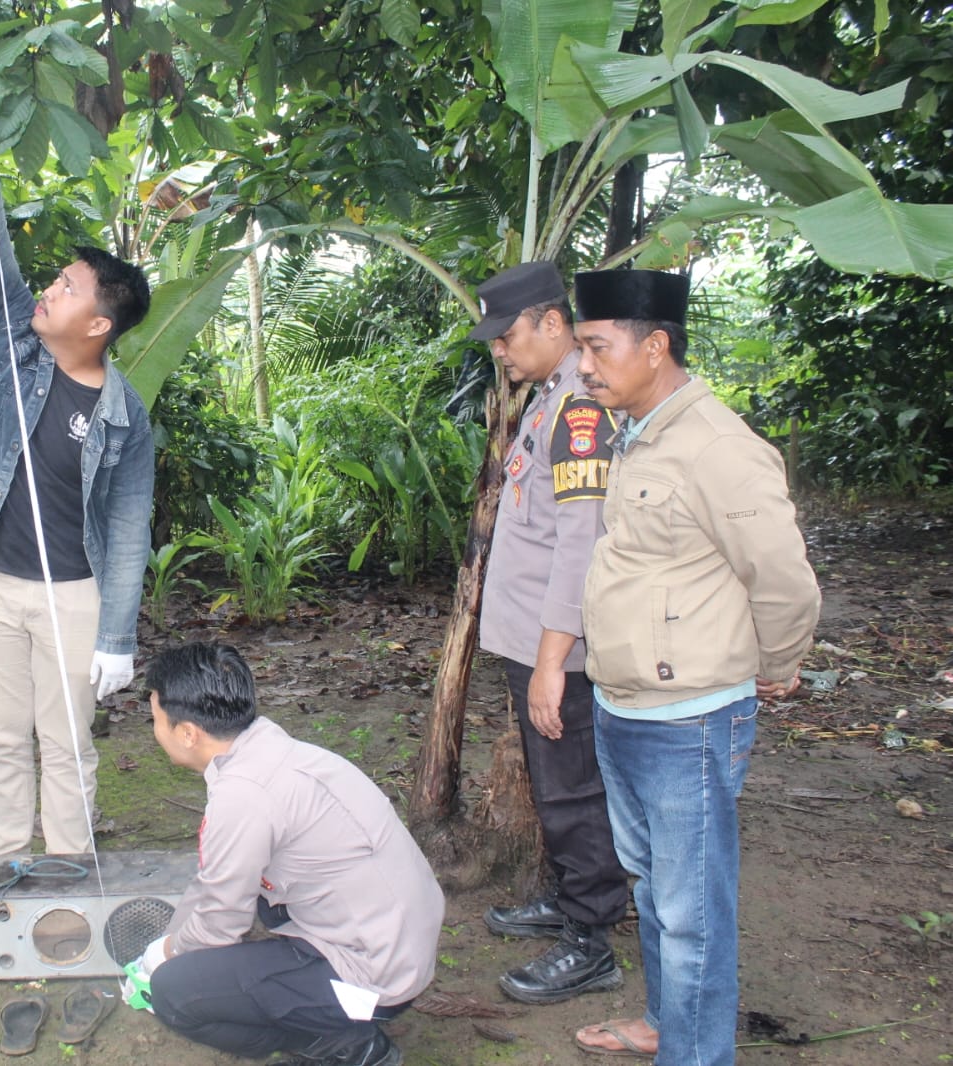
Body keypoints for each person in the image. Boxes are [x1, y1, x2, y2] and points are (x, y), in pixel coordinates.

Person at [570, 270, 821, 1063]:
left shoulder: (718, 448)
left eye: (596, 347)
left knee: (690, 912)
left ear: (655, 346)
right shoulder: (639, 429)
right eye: (580, 347)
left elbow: (782, 580)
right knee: (653, 890)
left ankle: (695, 1053)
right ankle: (665, 1025)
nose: (583, 365)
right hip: (624, 708)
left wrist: (775, 665)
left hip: (689, 721)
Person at [0, 42, 155, 857]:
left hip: (71, 599)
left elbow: (128, 528)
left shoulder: (124, 418)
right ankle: (2, 865)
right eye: (52, 280)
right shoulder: (12, 345)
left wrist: (117, 637)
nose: (47, 292)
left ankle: (67, 871)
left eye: (65, 289)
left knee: (67, 747)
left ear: (98, 324)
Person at [138, 642, 444, 1066]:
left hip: (376, 980)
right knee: (251, 909)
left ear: (188, 732)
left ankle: (347, 1046)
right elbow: (213, 880)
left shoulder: (243, 797)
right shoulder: (272, 752)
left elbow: (218, 925)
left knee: (174, 992)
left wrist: (164, 954)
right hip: (399, 940)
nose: (153, 730)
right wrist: (170, 936)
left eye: (155, 719)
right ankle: (326, 1012)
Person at [469, 262, 629, 1004]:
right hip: (531, 638)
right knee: (553, 781)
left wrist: (550, 661)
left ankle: (589, 939)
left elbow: (579, 542)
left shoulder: (579, 413)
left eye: (507, 335)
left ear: (552, 323)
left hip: (554, 646)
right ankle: (571, 902)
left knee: (569, 791)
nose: (499, 350)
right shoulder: (547, 400)